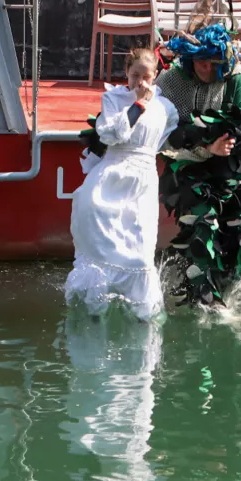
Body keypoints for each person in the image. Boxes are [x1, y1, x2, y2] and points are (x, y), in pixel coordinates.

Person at [154, 0, 241, 308]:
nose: (205, 69)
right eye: (199, 63)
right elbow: (164, 131)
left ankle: (232, 287)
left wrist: (222, 142)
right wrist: (205, 144)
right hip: (189, 166)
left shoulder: (237, 78)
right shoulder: (171, 81)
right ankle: (202, 299)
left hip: (231, 167)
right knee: (203, 225)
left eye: (210, 63)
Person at [65, 48, 179, 322]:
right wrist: (137, 105)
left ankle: (142, 314)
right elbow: (112, 135)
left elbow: (171, 141)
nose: (140, 82)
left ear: (155, 77)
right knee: (99, 237)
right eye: (134, 75)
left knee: (139, 253)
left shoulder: (166, 108)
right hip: (111, 174)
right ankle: (96, 308)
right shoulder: (114, 98)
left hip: (142, 181)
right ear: (126, 73)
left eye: (146, 76)